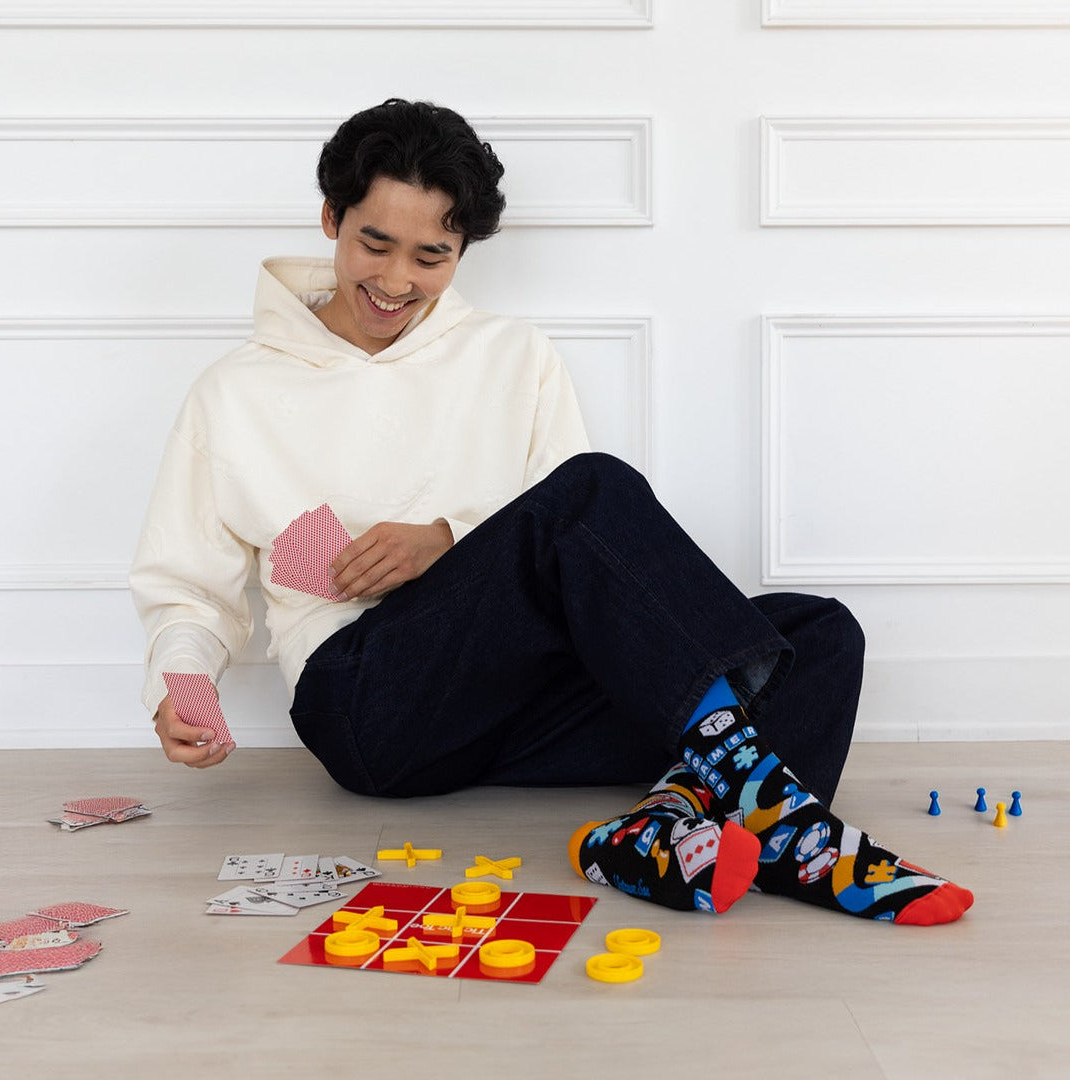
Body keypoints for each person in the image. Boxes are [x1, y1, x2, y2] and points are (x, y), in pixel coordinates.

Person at [131, 99, 972, 926]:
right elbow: (187, 585)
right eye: (374, 243)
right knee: (591, 487)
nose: (395, 281)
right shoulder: (236, 390)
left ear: (462, 251)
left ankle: (657, 832)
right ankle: (784, 822)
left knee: (818, 633)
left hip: (515, 708)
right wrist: (182, 684)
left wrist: (445, 542)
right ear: (330, 219)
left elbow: (579, 563)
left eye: (431, 256)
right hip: (368, 706)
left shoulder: (512, 354)